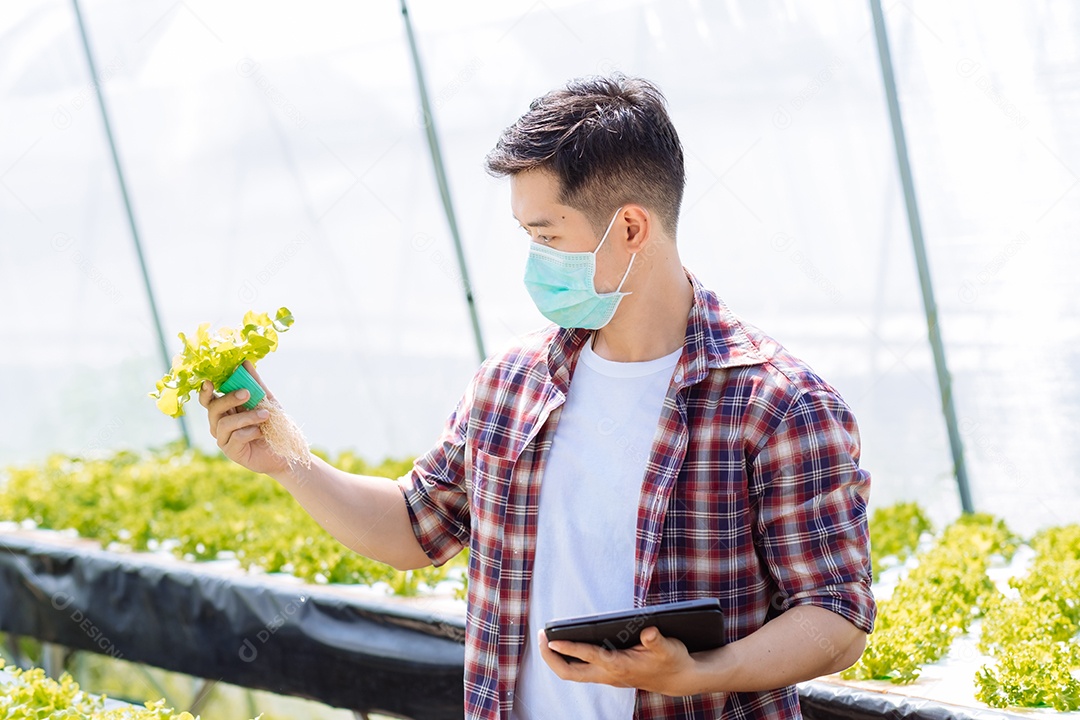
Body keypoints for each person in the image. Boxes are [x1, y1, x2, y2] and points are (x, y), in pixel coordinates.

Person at [200, 74, 875, 720]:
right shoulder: (512, 384)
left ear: (632, 228)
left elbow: (835, 617)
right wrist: (288, 459)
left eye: (548, 237)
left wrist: (701, 672)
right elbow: (415, 525)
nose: (535, 260)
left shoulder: (779, 406)